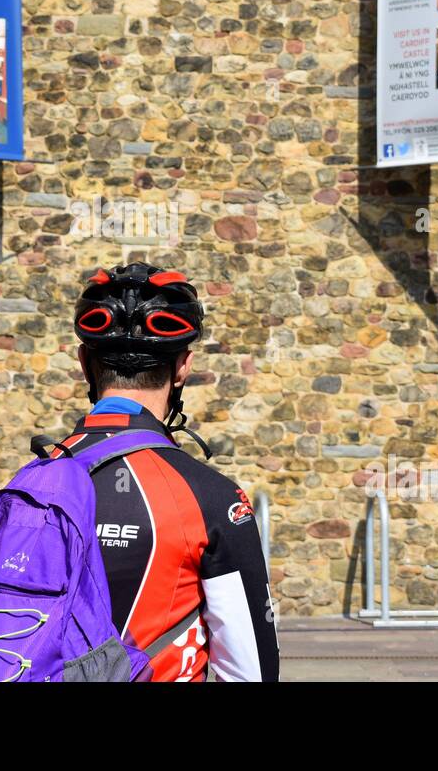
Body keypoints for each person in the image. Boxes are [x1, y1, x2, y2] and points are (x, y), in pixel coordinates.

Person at [45, 263, 280, 681]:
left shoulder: (28, 485)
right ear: (183, 367)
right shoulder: (211, 497)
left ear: (84, 362)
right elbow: (250, 672)